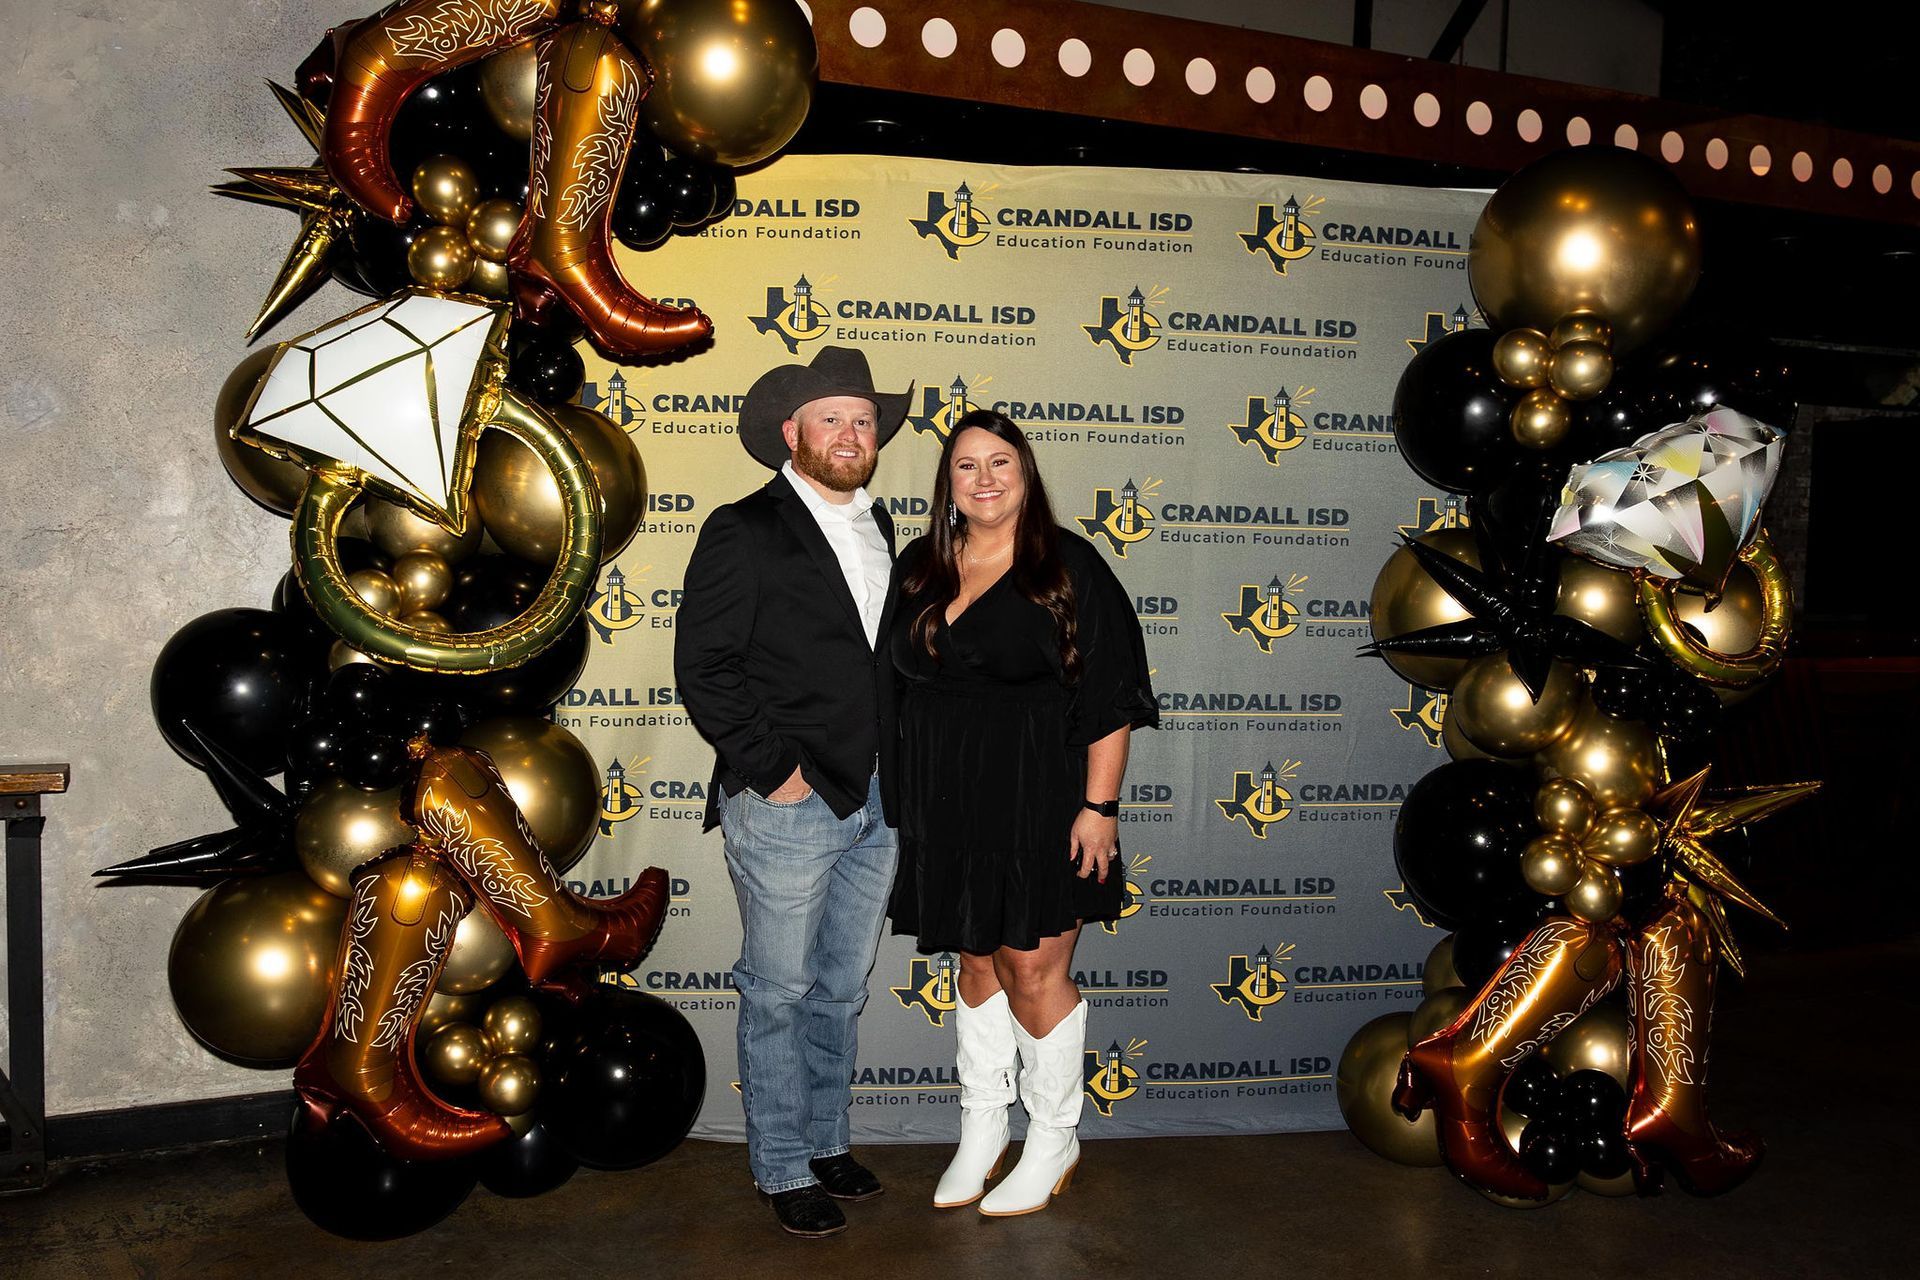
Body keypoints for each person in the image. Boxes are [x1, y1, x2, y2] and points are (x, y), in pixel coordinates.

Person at [887, 408, 1157, 1217]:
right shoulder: (922, 567)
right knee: (972, 965)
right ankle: (981, 1130)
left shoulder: (1067, 567)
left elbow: (1109, 700)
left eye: (1000, 463)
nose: (984, 480)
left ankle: (1053, 1137)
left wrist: (1098, 807)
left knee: (1033, 969)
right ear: (948, 484)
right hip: (949, 803)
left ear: (1026, 473)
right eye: (966, 466)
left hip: (1043, 798)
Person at [675, 345, 913, 1239]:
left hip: (882, 800)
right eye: (832, 420)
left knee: (840, 989)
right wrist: (776, 773)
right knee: (777, 989)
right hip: (790, 804)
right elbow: (705, 666)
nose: (852, 434)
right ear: (791, 433)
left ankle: (826, 1140)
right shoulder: (745, 527)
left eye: (863, 421)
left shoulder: (885, 529)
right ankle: (780, 1163)